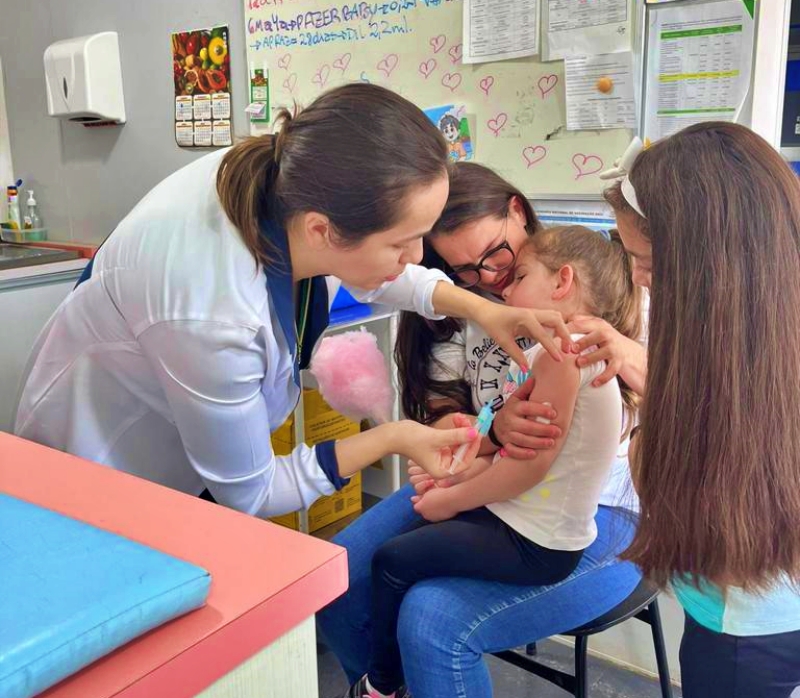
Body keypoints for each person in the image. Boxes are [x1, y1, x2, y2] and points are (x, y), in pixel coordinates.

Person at [13, 84, 571, 519]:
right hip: (104, 460)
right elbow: (251, 494)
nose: (418, 255)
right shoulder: (212, 311)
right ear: (323, 231)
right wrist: (395, 437)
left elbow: (381, 272)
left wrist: (481, 308)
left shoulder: (289, 186)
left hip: (174, 446)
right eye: (403, 241)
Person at [318, 163, 643, 698]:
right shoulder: (458, 311)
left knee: (431, 620)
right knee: (334, 577)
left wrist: (466, 483)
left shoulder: (601, 290)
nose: (488, 281)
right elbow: (457, 422)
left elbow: (545, 453)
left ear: (517, 212)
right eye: (462, 272)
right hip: (493, 481)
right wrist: (475, 442)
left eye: (497, 258)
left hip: (596, 508)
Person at [598, 122, 800, 697]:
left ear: (708, 266)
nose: (637, 277)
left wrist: (645, 434)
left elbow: (660, 481)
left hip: (743, 626)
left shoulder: (715, 357)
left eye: (649, 263)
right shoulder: (772, 318)